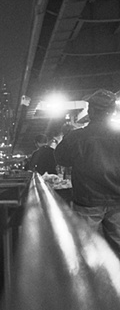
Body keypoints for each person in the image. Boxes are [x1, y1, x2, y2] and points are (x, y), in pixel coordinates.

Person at [54, 89, 120, 252]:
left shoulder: (76, 137)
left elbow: (61, 159)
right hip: (117, 199)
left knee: (84, 249)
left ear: (90, 111)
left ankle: (92, 277)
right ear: (112, 111)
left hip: (87, 200)